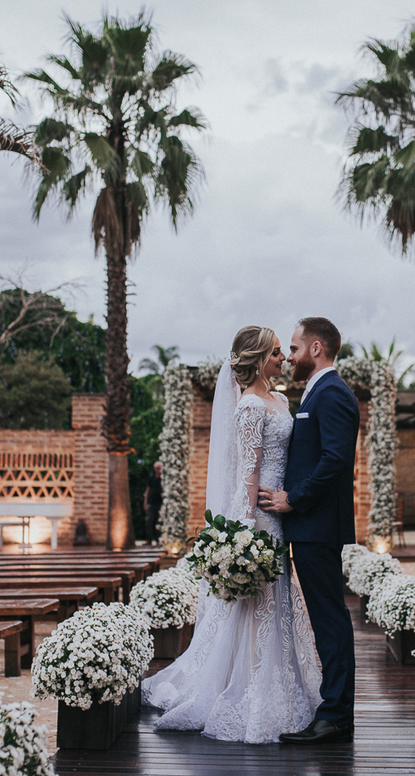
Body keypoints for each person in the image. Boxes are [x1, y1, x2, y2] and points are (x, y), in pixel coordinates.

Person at [141, 326, 322, 744]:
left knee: (275, 602)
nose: (283, 358)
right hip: (258, 520)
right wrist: (242, 535)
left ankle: (278, 683)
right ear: (259, 359)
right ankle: (251, 690)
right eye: (277, 353)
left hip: (281, 513)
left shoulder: (279, 399)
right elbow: (247, 473)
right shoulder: (249, 407)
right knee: (254, 604)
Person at [258, 316, 360, 745]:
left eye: (295, 349)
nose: (290, 357)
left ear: (316, 348)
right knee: (325, 616)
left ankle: (335, 714)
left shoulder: (333, 393)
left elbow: (335, 460)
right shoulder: (316, 392)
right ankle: (334, 710)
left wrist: (292, 499)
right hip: (311, 528)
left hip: (318, 526)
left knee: (330, 619)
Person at [143, 461, 163, 545]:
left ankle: (158, 540)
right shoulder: (151, 478)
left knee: (159, 522)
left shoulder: (163, 479)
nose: (159, 470)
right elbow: (147, 490)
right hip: (151, 503)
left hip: (160, 504)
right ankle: (149, 540)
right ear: (155, 469)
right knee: (149, 521)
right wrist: (145, 502)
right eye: (157, 468)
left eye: (160, 468)